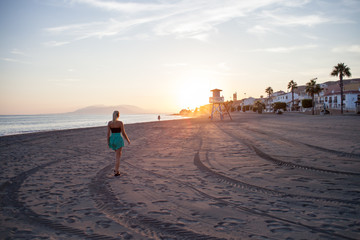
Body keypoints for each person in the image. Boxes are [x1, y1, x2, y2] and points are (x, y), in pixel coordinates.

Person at [107, 110, 131, 176]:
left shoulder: (109, 123)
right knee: (118, 157)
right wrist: (128, 140)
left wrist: (108, 142)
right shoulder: (120, 123)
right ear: (118, 115)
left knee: (117, 155)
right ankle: (116, 171)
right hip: (118, 139)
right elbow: (123, 133)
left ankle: (116, 169)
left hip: (112, 139)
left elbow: (108, 134)